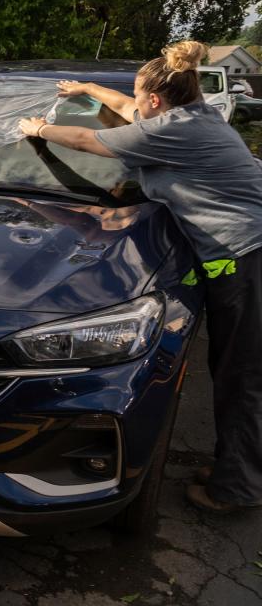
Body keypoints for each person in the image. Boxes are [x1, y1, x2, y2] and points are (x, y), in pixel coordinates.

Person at [18, 41, 262, 514]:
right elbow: (128, 107)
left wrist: (38, 127)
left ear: (158, 102)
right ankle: (239, 466)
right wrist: (88, 88)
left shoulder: (173, 131)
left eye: (139, 94)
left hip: (246, 257)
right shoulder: (193, 116)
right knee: (236, 370)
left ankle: (238, 487)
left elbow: (91, 142)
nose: (134, 102)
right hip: (244, 255)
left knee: (243, 376)